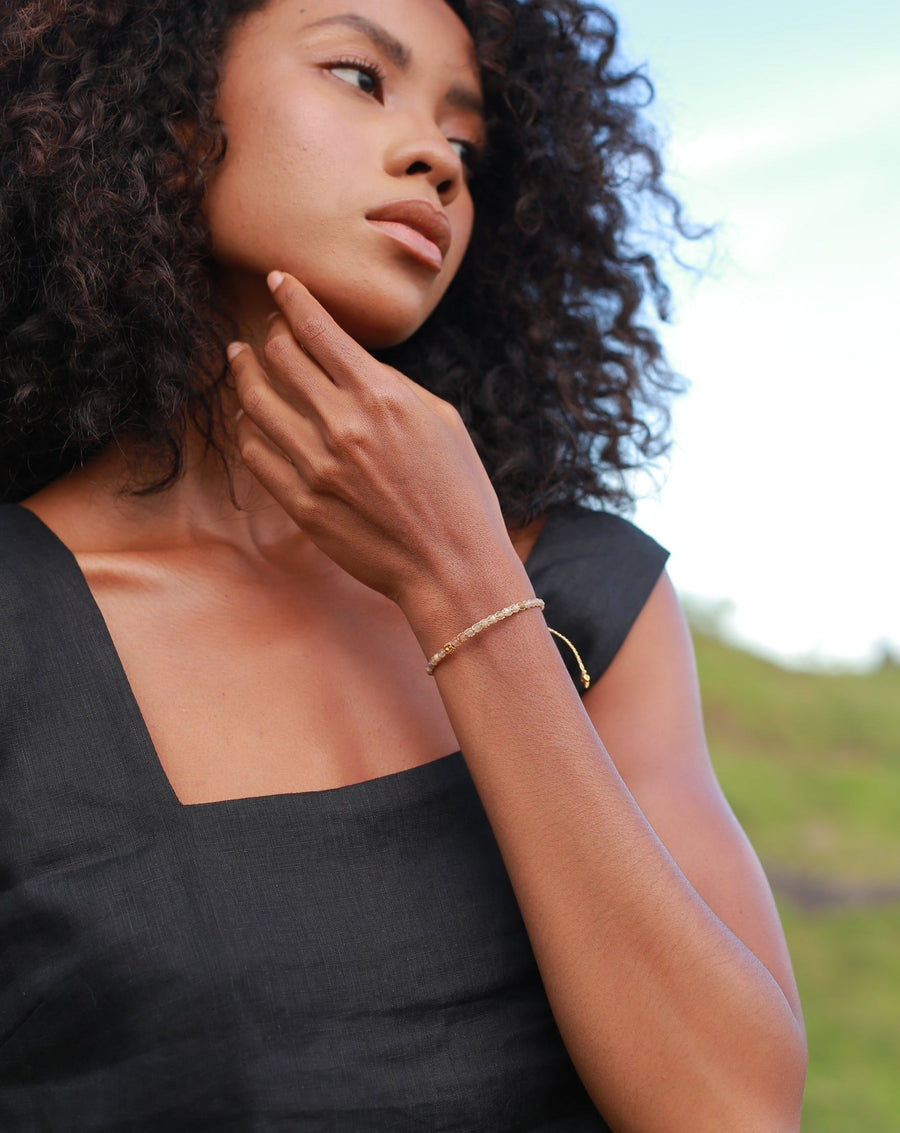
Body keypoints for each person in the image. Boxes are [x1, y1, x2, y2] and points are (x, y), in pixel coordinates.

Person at [0, 0, 807, 1129]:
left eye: (466, 145)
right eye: (358, 77)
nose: (436, 159)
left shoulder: (585, 592)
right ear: (173, 114)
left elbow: (732, 1108)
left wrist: (466, 586)